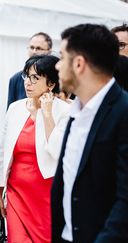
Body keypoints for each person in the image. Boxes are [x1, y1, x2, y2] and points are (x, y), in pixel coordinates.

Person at [52, 23, 128, 242]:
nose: (57, 66)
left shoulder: (123, 112)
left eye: (62, 58)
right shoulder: (75, 111)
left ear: (78, 64)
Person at [0, 55, 70, 242]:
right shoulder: (15, 108)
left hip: (46, 193)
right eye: (26, 76)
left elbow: (57, 151)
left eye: (35, 78)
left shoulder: (66, 111)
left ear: (51, 83)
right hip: (16, 190)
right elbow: (3, 153)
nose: (28, 82)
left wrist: (46, 113)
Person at [7, 32, 53, 108]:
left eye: (38, 48)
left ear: (49, 51)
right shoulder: (15, 79)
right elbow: (10, 110)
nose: (34, 51)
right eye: (32, 47)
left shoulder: (59, 78)